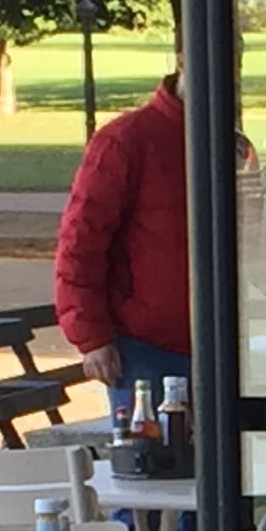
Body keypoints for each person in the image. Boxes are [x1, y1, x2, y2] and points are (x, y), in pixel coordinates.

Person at [53, 66, 199, 406]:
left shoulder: (229, 144)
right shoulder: (124, 141)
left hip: (224, 346)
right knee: (151, 457)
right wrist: (91, 336)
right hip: (144, 350)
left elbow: (250, 230)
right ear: (182, 58)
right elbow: (80, 242)